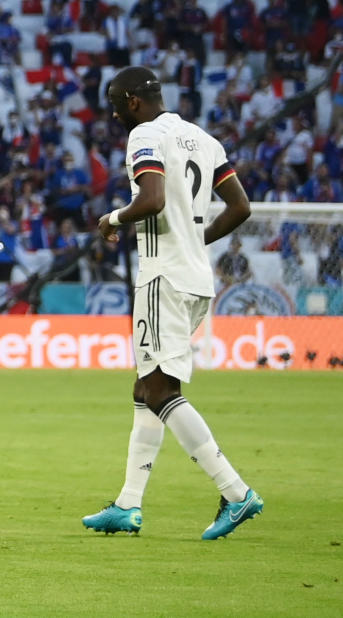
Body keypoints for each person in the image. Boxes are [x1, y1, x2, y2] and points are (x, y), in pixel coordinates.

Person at [87, 67, 262, 540]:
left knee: (162, 393)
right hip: (195, 278)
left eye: (116, 105)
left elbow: (153, 199)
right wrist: (194, 239)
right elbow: (241, 207)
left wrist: (113, 218)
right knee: (146, 389)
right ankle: (128, 504)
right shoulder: (204, 138)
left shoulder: (145, 134)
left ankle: (235, 491)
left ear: (133, 102)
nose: (115, 115)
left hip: (162, 277)